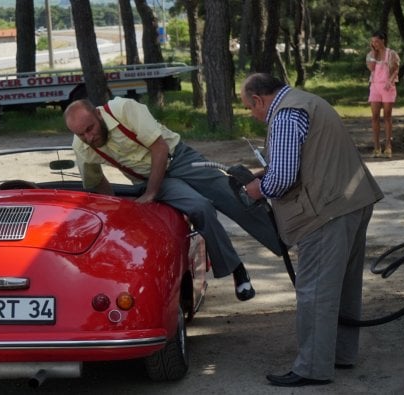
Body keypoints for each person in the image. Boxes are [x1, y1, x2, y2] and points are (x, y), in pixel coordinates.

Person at [240, 73, 384, 387]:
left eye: (249, 108)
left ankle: (312, 368)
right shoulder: (309, 102)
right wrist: (269, 170)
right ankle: (340, 355)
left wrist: (258, 188)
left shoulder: (284, 115)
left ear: (258, 100)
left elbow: (283, 179)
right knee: (344, 286)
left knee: (315, 292)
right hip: (353, 202)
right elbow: (309, 156)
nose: (253, 115)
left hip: (326, 212)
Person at [63, 97, 283, 302]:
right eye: (81, 134)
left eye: (90, 129)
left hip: (178, 158)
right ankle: (236, 268)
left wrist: (150, 193)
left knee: (233, 195)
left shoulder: (123, 109)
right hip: (148, 178)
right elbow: (95, 184)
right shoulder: (82, 147)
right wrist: (111, 212)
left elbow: (160, 147)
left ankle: (287, 244)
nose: (88, 138)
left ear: (99, 115)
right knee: (200, 207)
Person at [366, 30, 400, 159]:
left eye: (377, 41)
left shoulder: (391, 54)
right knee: (374, 116)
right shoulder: (370, 54)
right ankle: (376, 147)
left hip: (387, 87)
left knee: (387, 116)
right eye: (373, 41)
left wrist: (390, 81)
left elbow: (396, 69)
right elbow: (371, 68)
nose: (375, 43)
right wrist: (374, 53)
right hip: (375, 86)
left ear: (383, 40)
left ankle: (388, 146)